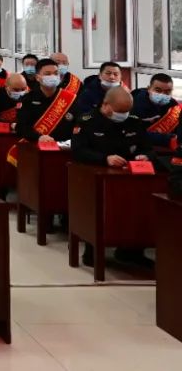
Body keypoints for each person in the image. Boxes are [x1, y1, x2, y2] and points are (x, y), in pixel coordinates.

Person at [72, 88, 157, 267]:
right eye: (120, 111)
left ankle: (132, 251)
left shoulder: (134, 121)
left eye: (127, 111)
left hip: (130, 176)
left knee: (139, 209)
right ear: (106, 105)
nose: (123, 115)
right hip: (97, 174)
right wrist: (105, 159)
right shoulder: (87, 121)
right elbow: (78, 151)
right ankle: (92, 250)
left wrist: (145, 156)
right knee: (98, 209)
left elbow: (147, 148)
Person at [16, 59, 80, 145]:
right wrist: (39, 137)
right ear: (37, 78)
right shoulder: (27, 99)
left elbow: (78, 125)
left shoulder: (70, 98)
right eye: (47, 74)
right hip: (35, 146)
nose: (53, 76)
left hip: (64, 148)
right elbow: (21, 127)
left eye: (56, 73)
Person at [131, 73, 181, 149]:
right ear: (149, 89)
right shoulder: (133, 104)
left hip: (169, 149)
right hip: (141, 149)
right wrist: (167, 139)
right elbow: (133, 132)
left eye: (167, 92)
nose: (162, 94)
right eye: (158, 90)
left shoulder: (173, 105)